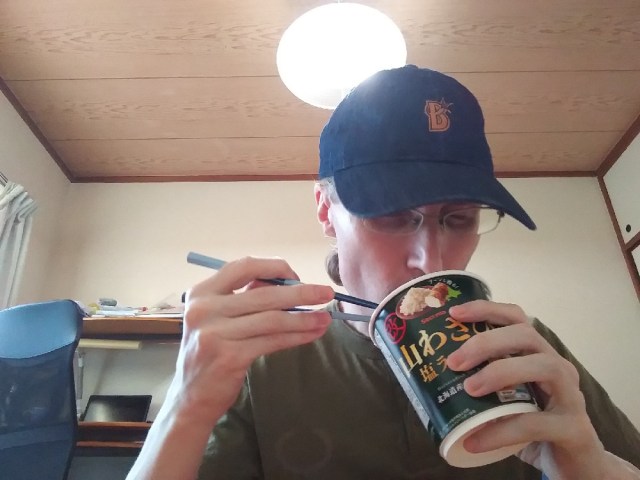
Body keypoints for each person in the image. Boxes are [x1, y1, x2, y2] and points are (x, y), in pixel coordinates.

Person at [127, 65, 640, 480]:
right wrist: (186, 406)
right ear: (326, 210)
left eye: (459, 219)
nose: (431, 262)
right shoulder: (261, 362)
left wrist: (590, 468)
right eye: (393, 216)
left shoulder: (524, 349)